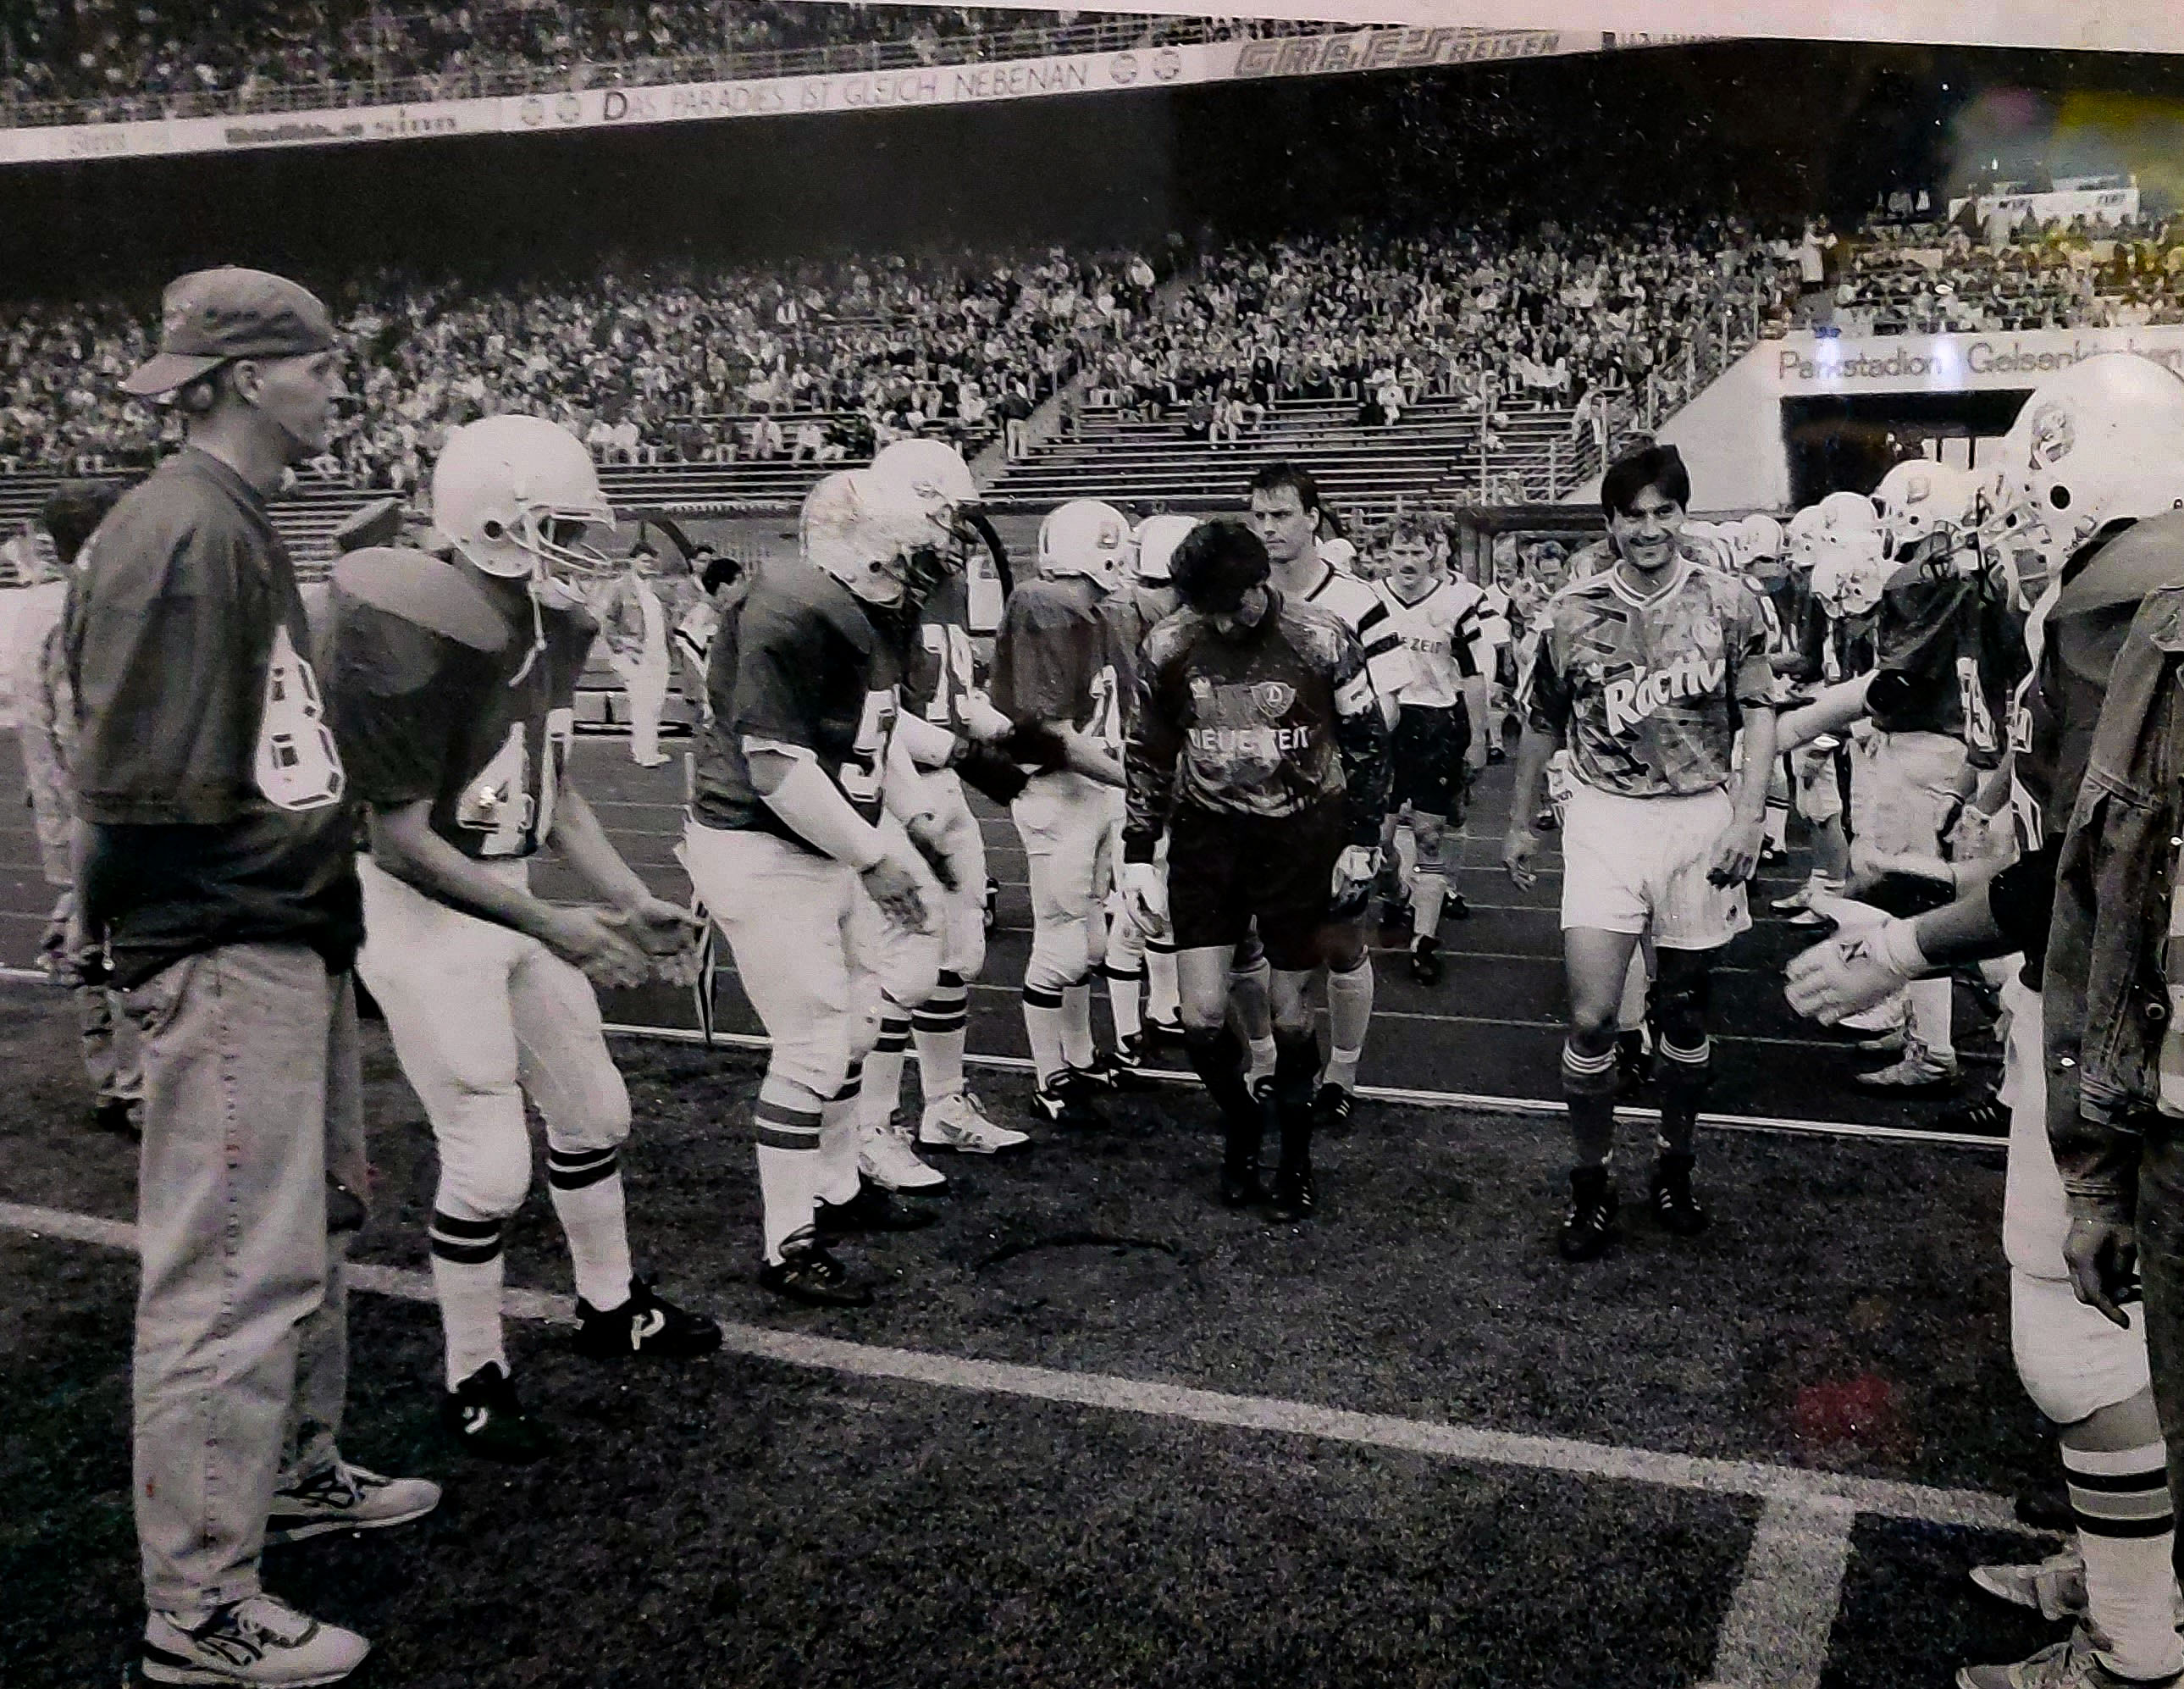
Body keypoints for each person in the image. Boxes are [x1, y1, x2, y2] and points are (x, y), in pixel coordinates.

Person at [1786, 352, 2184, 1689]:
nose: (2014, 520)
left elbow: (2068, 871)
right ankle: (2133, 1573)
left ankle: (2133, 1640)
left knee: (2072, 1337)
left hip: (2130, 1026)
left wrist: (1899, 944)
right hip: (2141, 1008)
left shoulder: (2114, 607)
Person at [68, 266, 436, 1689]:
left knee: (303, 1235)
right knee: (231, 1268)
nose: (340, 381)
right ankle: (199, 1602)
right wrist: (140, 954)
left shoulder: (227, 518)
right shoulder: (181, 533)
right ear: (234, 377)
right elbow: (138, 794)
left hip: (281, 929)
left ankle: (290, 1471)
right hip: (225, 942)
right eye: (317, 362)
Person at [323, 413, 722, 1464]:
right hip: (422, 907)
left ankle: (609, 1303)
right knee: (490, 1163)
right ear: (494, 524)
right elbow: (399, 839)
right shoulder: (409, 624)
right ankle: (472, 1370)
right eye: (562, 527)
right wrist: (555, 921)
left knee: (595, 1112)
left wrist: (628, 897)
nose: (586, 551)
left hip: (505, 888)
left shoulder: (548, 621)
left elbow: (554, 789)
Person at [682, 468, 956, 1309]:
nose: (916, 572)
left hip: (822, 840)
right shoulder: (792, 605)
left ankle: (836, 1187)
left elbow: (867, 741)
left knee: (859, 1022)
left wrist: (900, 827)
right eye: (907, 555)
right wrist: (873, 854)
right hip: (765, 843)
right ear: (865, 551)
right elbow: (772, 768)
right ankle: (785, 1238)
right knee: (810, 1044)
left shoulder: (853, 611)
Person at [1502, 443, 1778, 1262]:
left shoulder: (1731, 601)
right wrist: (1519, 821)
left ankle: (1674, 1162)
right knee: (1592, 1017)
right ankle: (1590, 1181)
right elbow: (1541, 723)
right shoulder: (1570, 611)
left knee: (1682, 1016)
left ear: (1683, 516)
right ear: (1610, 523)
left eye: (1664, 512)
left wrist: (1748, 816)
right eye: (1633, 515)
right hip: (1604, 816)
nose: (1650, 529)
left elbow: (1759, 710)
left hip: (1699, 817)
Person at [1120, 518, 1390, 1221]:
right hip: (1209, 837)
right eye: (1200, 607)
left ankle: (1295, 1160)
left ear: (1257, 584)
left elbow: (1367, 742)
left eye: (1226, 605)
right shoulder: (1170, 643)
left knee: (1291, 1014)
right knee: (1200, 1017)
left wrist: (1362, 841)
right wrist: (1136, 851)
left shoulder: (1320, 636)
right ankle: (1242, 1122)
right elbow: (1148, 749)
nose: (1216, 621)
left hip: (1301, 835)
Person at [857, 436, 1030, 1179]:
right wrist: (965, 750)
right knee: (904, 966)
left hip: (945, 790)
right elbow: (884, 717)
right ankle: (872, 1127)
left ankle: (944, 1105)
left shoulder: (945, 588)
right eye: (950, 515)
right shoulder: (872, 588)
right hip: (896, 793)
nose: (959, 533)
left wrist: (1013, 733)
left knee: (960, 955)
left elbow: (957, 698)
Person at [1247, 462, 1411, 1136]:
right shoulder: (1243, 599)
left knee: (1341, 942)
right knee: (1252, 944)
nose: (1268, 528)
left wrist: (1320, 760)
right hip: (1255, 806)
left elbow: (1391, 705)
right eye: (1257, 516)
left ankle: (1341, 1072)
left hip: (1332, 804)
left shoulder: (1360, 599)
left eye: (1280, 515)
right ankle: (1263, 1062)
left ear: (1313, 517)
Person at [992, 500, 1136, 1125]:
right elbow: (1052, 734)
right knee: (1059, 943)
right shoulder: (1044, 605)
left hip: (1092, 788)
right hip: (1057, 788)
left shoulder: (1095, 611)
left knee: (1091, 938)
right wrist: (1139, 780)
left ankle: (1078, 1057)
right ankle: (1048, 1075)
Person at [15, 479, 140, 1136]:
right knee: (123, 941)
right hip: (98, 811)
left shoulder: (39, 610)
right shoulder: (88, 611)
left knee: (91, 942)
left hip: (61, 816)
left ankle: (111, 1082)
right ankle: (135, 1087)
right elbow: (83, 731)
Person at [1370, 519, 1491, 983]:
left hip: (1437, 723)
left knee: (1429, 834)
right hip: (1385, 723)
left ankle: (1424, 940)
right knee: (1378, 840)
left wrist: (1479, 737)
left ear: (1432, 554)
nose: (1406, 562)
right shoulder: (1371, 599)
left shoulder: (1456, 603)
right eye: (1398, 552)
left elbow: (1474, 674)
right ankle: (1398, 895)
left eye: (1416, 552)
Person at [589, 541, 672, 767]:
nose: (648, 566)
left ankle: (649, 749)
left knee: (655, 704)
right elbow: (606, 620)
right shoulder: (620, 587)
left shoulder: (656, 588)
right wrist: (621, 647)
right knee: (643, 703)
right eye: (644, 561)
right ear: (632, 561)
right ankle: (644, 753)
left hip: (658, 653)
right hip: (635, 654)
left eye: (651, 562)